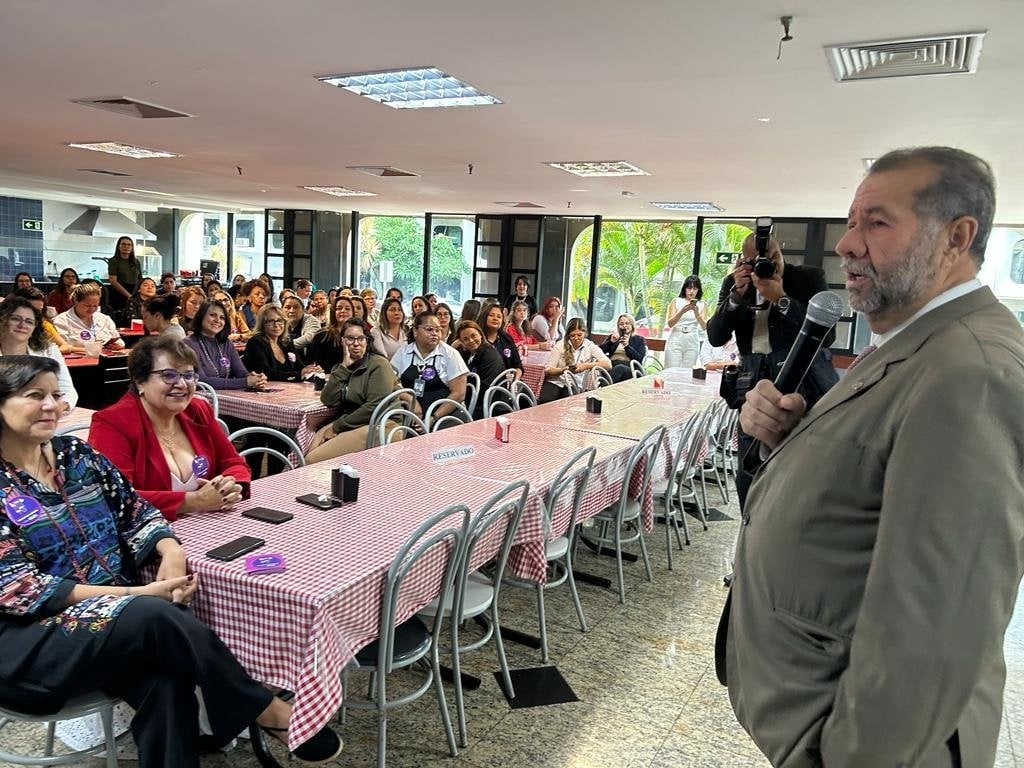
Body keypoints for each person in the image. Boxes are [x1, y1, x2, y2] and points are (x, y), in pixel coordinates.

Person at [716, 146, 1024, 768]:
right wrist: (793, 440)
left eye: (876, 223)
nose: (848, 245)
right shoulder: (913, 343)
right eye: (851, 222)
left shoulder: (970, 372)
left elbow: (930, 636)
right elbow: (877, 476)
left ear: (955, 238)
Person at [0, 355, 343, 766]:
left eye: (56, 395)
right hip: (30, 644)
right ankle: (261, 708)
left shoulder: (75, 455)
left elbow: (135, 510)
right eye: (33, 396)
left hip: (112, 632)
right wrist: (134, 593)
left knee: (167, 675)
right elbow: (20, 590)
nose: (51, 406)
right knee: (152, 616)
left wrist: (171, 550)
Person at [706, 233, 838, 509]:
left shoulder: (807, 278)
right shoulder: (734, 283)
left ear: (781, 252)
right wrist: (735, 298)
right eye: (756, 262)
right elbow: (716, 336)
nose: (769, 266)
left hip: (801, 382)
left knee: (798, 469)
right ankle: (750, 529)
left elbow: (827, 336)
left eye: (773, 257)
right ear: (744, 262)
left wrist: (781, 298)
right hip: (752, 384)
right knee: (750, 469)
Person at [89, 336, 249, 521]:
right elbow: (115, 497)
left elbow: (234, 463)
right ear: (140, 381)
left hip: (210, 527)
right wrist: (194, 501)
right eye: (168, 375)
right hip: (146, 536)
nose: (181, 384)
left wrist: (229, 485)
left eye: (188, 375)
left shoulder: (198, 409)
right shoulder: (112, 423)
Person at [305, 319, 400, 463]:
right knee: (307, 449)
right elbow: (328, 399)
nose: (356, 343)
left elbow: (374, 407)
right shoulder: (341, 367)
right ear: (342, 341)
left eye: (360, 338)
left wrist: (337, 427)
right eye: (350, 338)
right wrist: (344, 367)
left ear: (367, 341)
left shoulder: (379, 364)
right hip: (353, 422)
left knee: (312, 460)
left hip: (381, 425)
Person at [0, 297, 77, 410]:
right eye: (15, 319)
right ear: (2, 321)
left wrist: (58, 407)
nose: (22, 325)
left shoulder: (49, 351)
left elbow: (67, 390)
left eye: (29, 321)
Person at [390, 310, 468, 419]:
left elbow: (459, 393)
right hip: (409, 412)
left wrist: (433, 418)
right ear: (415, 331)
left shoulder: (450, 354)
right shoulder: (403, 353)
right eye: (429, 329)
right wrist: (409, 399)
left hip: (445, 415)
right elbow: (390, 383)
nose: (435, 334)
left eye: (438, 330)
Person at [185, 300, 265, 390]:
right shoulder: (188, 344)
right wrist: (245, 382)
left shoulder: (226, 343)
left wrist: (255, 378)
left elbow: (241, 373)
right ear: (201, 316)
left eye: (222, 317)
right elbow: (200, 381)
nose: (218, 320)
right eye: (212, 315)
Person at [539, 317, 610, 403]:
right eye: (572, 335)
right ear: (568, 334)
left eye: (579, 335)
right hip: (556, 381)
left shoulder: (590, 346)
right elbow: (548, 370)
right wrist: (563, 370)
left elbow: (608, 364)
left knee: (568, 402)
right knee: (545, 400)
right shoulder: (560, 345)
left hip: (575, 385)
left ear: (585, 333)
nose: (576, 338)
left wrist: (586, 366)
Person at [243, 304, 320, 382]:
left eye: (280, 320)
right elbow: (266, 373)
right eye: (270, 321)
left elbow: (300, 367)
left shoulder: (287, 342)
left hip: (288, 389)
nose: (276, 325)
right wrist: (298, 375)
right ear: (262, 324)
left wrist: (311, 370)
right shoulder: (255, 342)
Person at [53, 283, 124, 353]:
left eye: (95, 306)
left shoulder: (105, 319)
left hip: (106, 360)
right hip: (78, 361)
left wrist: (118, 345)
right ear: (75, 301)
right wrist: (88, 349)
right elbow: (61, 347)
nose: (92, 309)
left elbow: (118, 340)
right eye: (87, 305)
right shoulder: (61, 321)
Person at [456, 320, 505, 419]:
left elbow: (484, 386)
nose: (471, 340)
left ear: (480, 335)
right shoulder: (470, 353)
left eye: (473, 336)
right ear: (461, 342)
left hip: (489, 406)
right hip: (478, 400)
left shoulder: (488, 354)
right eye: (465, 339)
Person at [664, 276, 707, 368]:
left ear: (698, 290)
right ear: (684, 288)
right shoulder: (676, 301)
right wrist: (682, 311)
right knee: (672, 369)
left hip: (692, 338)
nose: (691, 291)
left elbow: (704, 326)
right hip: (676, 338)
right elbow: (670, 324)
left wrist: (697, 313)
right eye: (689, 288)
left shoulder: (702, 304)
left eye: (694, 288)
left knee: (688, 371)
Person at [14, 287, 72, 353]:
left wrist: (44, 353)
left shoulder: (44, 325)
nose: (36, 314)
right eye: (32, 310)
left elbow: (65, 346)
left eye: (39, 310)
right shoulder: (5, 327)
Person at [305, 296, 354, 372]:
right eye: (339, 308)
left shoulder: (360, 335)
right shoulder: (321, 336)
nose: (343, 311)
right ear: (333, 311)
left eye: (347, 309)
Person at [477, 299, 523, 378]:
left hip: (506, 384)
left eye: (499, 317)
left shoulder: (507, 339)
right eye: (491, 315)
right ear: (484, 317)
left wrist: (515, 380)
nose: (495, 318)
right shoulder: (477, 339)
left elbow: (518, 366)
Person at [599, 313, 647, 382]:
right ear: (618, 326)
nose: (624, 326)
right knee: (602, 367)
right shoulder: (614, 337)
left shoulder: (639, 339)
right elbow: (599, 351)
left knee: (619, 368)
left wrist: (627, 346)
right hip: (612, 365)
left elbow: (640, 359)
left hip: (630, 367)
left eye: (627, 323)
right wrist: (611, 342)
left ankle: (603, 388)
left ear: (632, 325)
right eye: (621, 324)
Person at [106, 236, 140, 318]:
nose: (126, 247)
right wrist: (128, 295)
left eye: (129, 245)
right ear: (119, 246)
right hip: (119, 293)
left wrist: (135, 295)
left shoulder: (136, 262)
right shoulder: (113, 261)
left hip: (134, 292)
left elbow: (140, 279)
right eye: (123, 244)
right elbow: (113, 281)